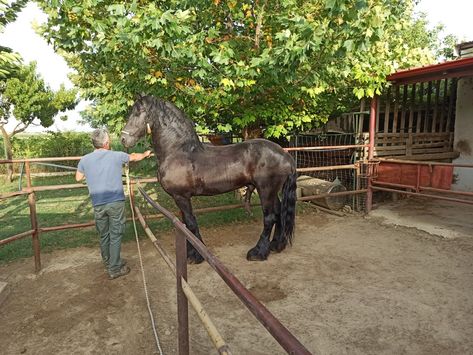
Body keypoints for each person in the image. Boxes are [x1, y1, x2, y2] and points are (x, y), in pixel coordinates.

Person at [76, 129, 151, 280]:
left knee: (104, 234)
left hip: (98, 203)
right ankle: (115, 268)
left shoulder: (85, 159)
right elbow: (134, 157)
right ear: (105, 143)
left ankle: (109, 261)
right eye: (108, 140)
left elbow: (78, 178)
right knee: (116, 235)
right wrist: (145, 154)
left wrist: (90, 173)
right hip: (115, 202)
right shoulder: (116, 155)